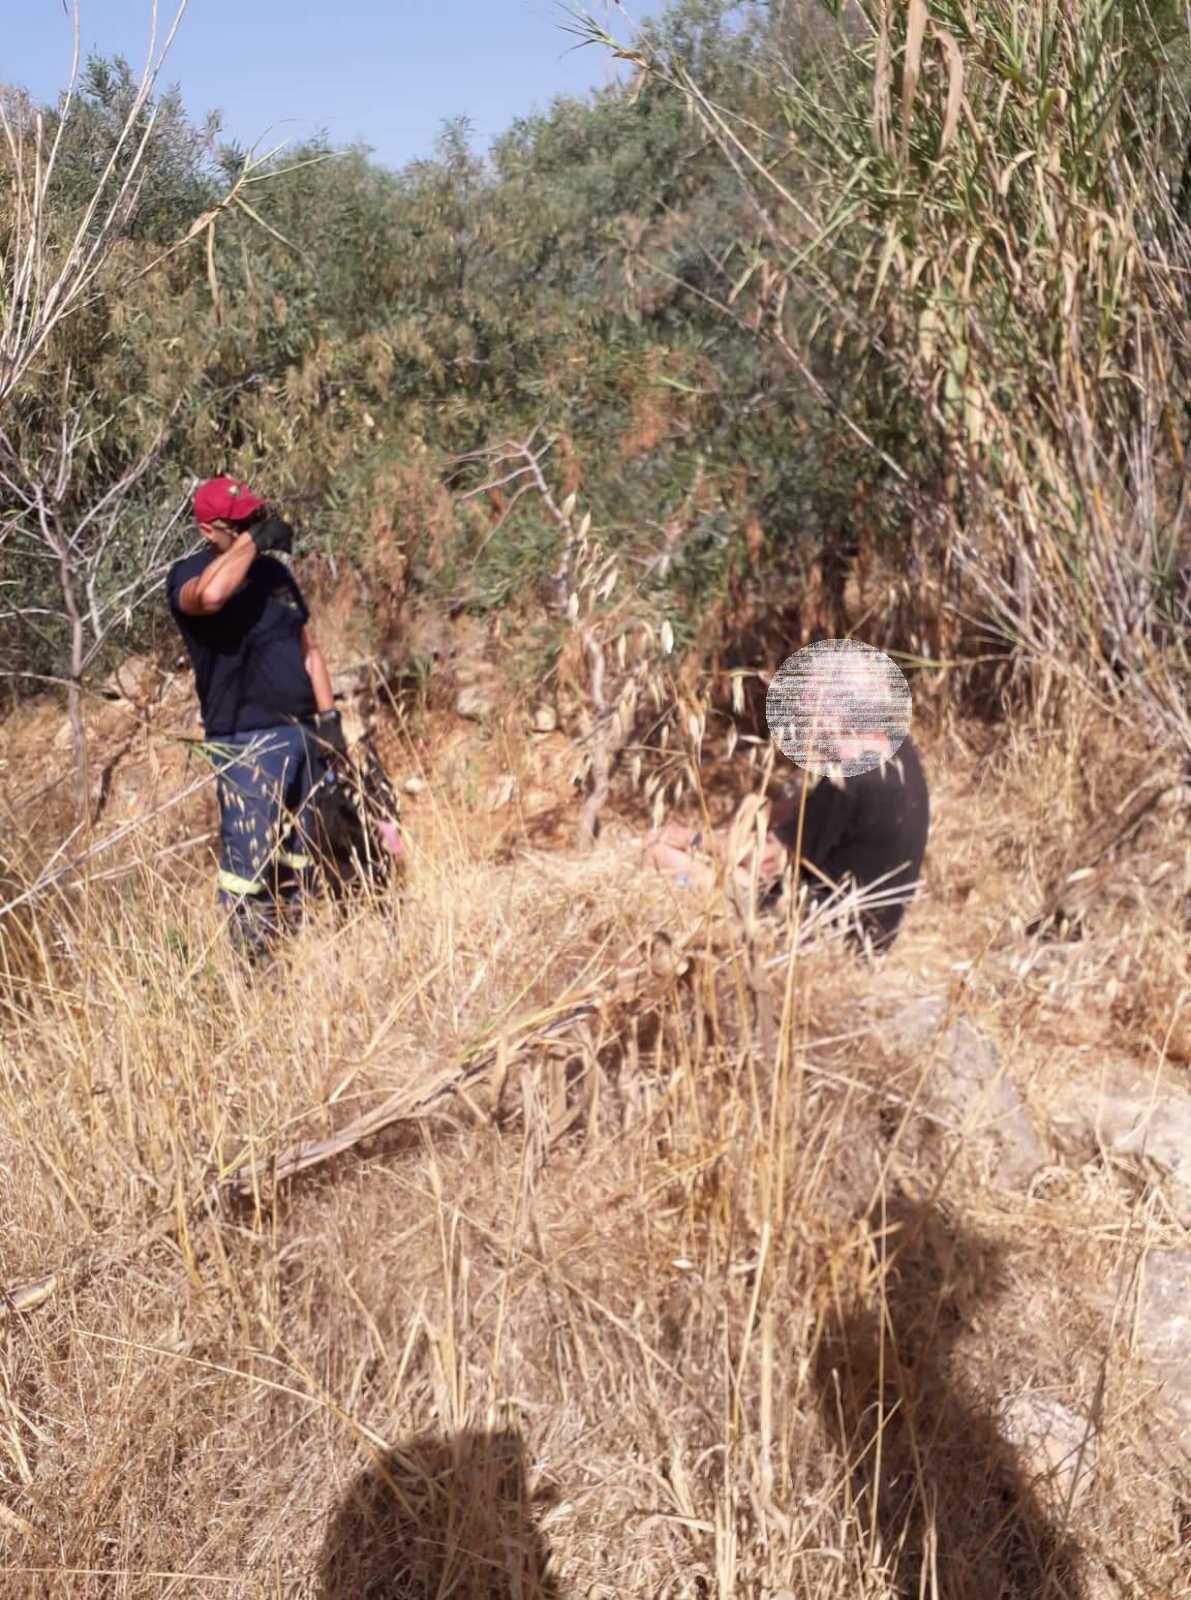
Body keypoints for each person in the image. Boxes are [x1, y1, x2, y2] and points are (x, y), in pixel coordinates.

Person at [167, 476, 347, 957]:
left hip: (305, 733)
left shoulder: (275, 577)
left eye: (255, 517)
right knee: (249, 859)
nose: (253, 526)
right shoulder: (189, 574)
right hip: (247, 742)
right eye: (241, 522)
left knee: (300, 850)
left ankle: (295, 944)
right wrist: (253, 542)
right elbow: (210, 597)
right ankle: (252, 968)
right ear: (209, 531)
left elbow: (309, 650)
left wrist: (331, 724)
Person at [645, 726, 930, 951]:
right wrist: (763, 818)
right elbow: (806, 808)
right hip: (874, 929)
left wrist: (693, 839)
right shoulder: (896, 747)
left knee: (660, 855)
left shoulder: (848, 783)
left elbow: (763, 862)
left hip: (822, 933)